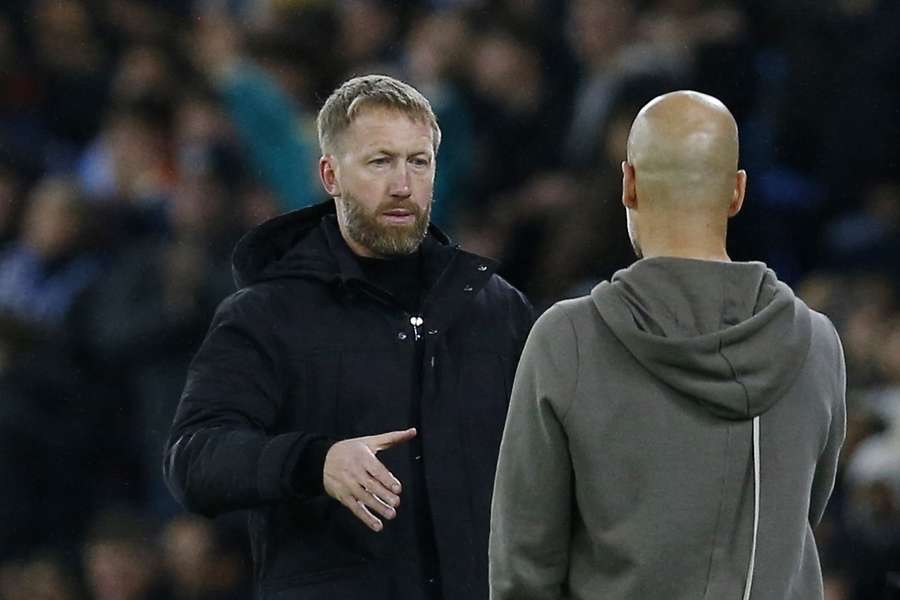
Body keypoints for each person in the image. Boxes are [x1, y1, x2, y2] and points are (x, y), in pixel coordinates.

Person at [164, 74, 533, 600]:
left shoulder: (495, 308)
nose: (403, 184)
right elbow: (194, 458)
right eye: (380, 162)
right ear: (330, 174)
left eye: (419, 161)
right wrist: (315, 462)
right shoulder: (267, 315)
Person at [489, 91, 846, 600]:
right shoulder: (817, 344)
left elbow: (522, 570)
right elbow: (803, 514)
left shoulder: (566, 340)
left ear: (629, 183)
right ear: (737, 192)